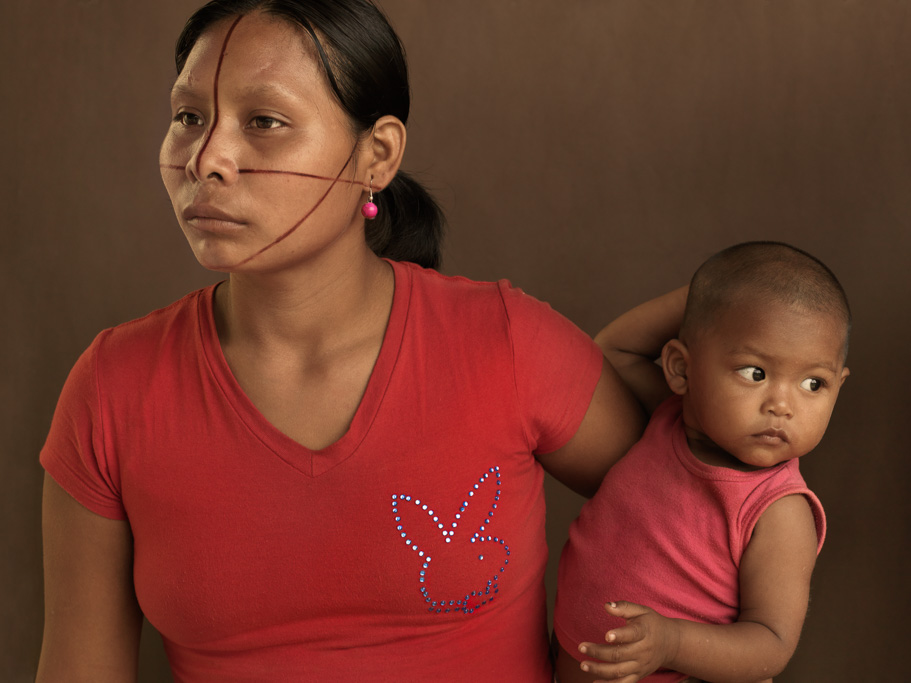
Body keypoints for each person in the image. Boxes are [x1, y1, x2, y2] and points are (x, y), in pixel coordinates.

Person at [36, 1, 648, 681]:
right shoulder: (113, 388)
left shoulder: (508, 344)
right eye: (188, 117)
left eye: (263, 122)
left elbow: (703, 504)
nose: (205, 160)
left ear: (376, 156)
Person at [553, 241, 851, 683]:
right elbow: (613, 349)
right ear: (681, 370)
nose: (783, 405)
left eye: (813, 382)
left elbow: (771, 643)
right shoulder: (672, 418)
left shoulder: (780, 511)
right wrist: (720, 295)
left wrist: (672, 643)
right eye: (756, 373)